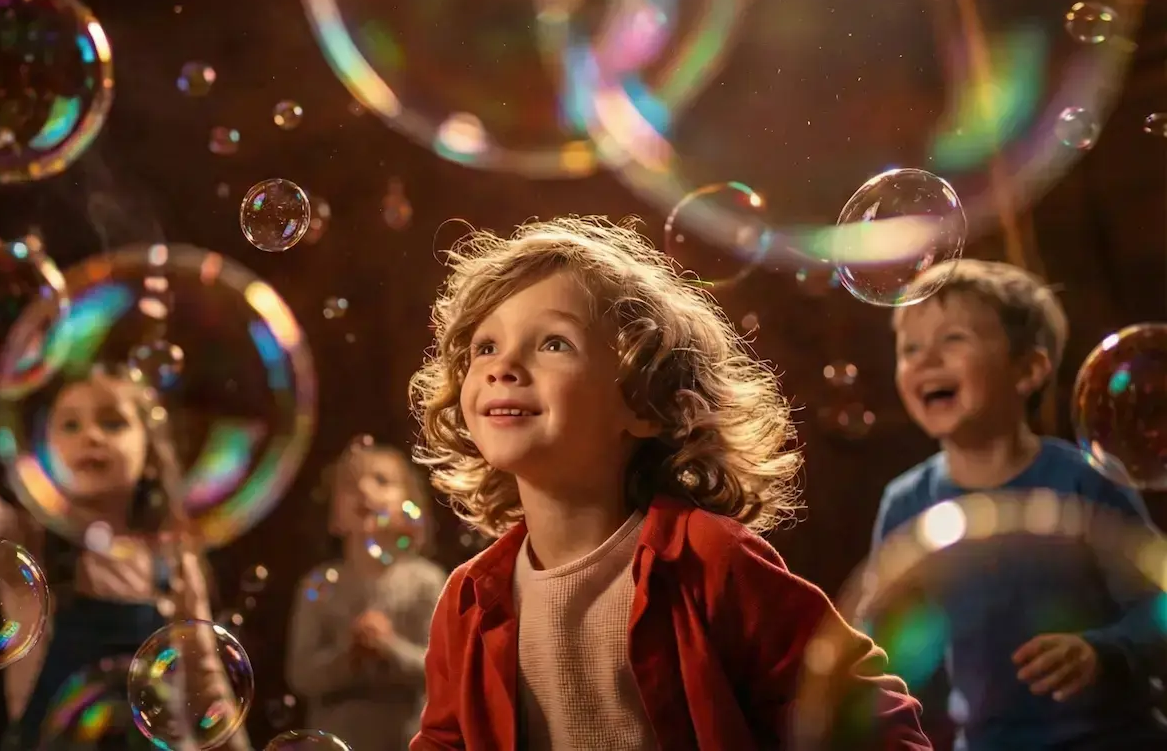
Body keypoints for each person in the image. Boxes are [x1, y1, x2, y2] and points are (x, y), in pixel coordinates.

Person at [406, 217, 930, 751]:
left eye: (554, 344)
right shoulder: (468, 600)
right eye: (485, 346)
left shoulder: (709, 560)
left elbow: (859, 712)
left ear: (645, 406)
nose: (504, 367)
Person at [0, 341, 250, 751]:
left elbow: (207, 681)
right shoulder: (33, 551)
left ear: (149, 454)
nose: (91, 435)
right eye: (70, 425)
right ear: (47, 455)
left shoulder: (174, 559)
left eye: (112, 423)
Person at [872, 258, 1167, 750]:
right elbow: (888, 644)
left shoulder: (1084, 480)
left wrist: (1105, 653)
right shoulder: (905, 503)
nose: (925, 360)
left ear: (1028, 369)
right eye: (910, 348)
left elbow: (1159, 605)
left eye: (953, 340)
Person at [285, 440, 447, 750]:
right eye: (349, 483)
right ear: (334, 516)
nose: (363, 488)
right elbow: (301, 675)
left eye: (381, 480)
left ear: (411, 507)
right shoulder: (318, 585)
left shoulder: (427, 581)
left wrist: (389, 647)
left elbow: (441, 670)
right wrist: (350, 653)